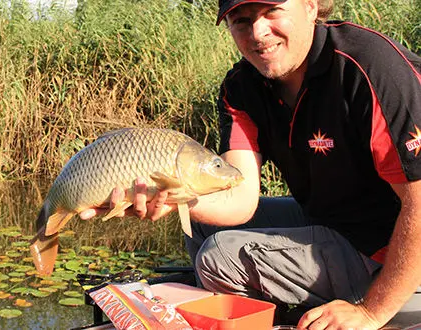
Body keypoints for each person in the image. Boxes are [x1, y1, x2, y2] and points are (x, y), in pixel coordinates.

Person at [80, 0, 421, 328]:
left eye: (271, 11)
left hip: (390, 245)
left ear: (311, 6)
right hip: (331, 221)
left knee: (220, 257)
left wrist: (371, 312)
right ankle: (249, 312)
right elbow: (238, 198)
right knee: (201, 226)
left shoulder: (370, 67)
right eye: (241, 21)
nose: (257, 33)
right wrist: (169, 197)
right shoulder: (242, 88)